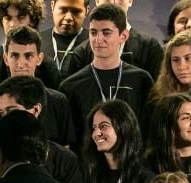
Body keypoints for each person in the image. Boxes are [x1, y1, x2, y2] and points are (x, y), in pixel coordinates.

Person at [59, 4, 154, 146]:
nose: (98, 39)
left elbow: (150, 134)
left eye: (106, 32)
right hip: (88, 166)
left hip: (132, 164)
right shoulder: (70, 87)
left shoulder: (142, 80)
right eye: (93, 32)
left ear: (123, 36)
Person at [0, 77, 88, 183]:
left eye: (12, 110)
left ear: (36, 110)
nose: (5, 119)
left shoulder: (64, 160)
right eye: (2, 112)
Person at [0, 27, 75, 147]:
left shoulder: (59, 102)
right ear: (6, 59)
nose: (21, 64)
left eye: (28, 56)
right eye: (14, 56)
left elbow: (65, 150)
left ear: (39, 59)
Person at [0, 0, 59, 99]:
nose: (12, 24)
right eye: (8, 18)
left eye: (20, 17)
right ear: (1, 21)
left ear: (32, 21)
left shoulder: (48, 67)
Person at [64, 0, 164, 81]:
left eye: (107, 32)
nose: (112, 1)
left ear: (130, 1)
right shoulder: (81, 52)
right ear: (97, 1)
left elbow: (157, 94)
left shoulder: (150, 47)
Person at [40, 0, 88, 77]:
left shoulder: (94, 44)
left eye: (76, 11)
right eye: (63, 10)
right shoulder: (36, 42)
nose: (68, 18)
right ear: (52, 6)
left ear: (87, 11)